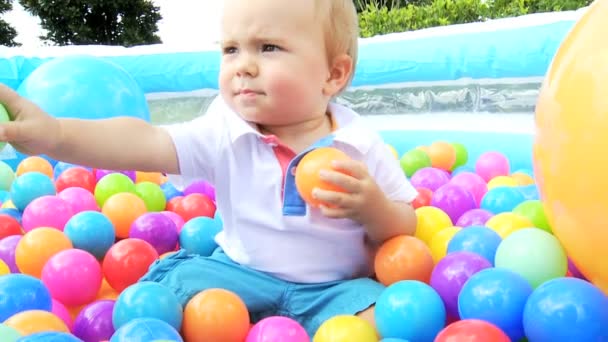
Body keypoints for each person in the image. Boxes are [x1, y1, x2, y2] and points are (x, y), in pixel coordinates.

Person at [0, 0, 417, 336]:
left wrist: (372, 207)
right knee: (159, 300)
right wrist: (54, 134)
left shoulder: (359, 144)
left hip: (333, 290)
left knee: (393, 315)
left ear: (333, 74)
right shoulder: (223, 130)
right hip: (239, 275)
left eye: (268, 47)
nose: (244, 65)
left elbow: (404, 225)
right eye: (231, 49)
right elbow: (144, 140)